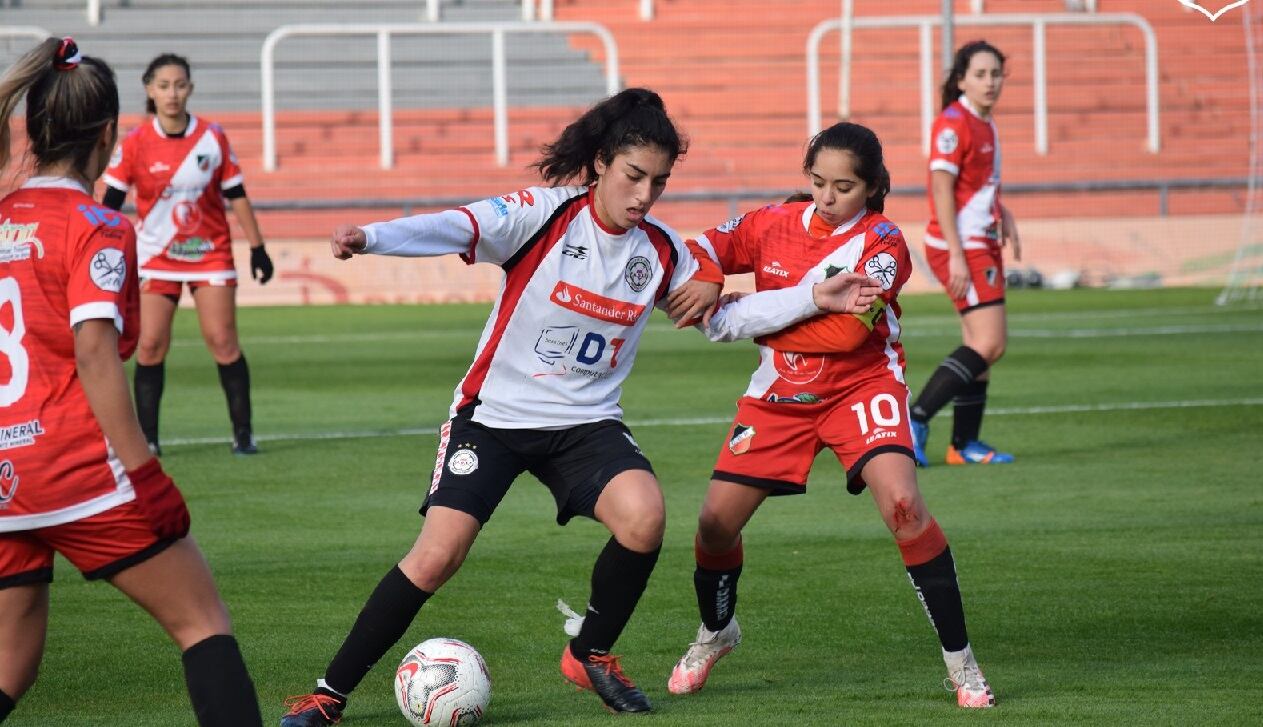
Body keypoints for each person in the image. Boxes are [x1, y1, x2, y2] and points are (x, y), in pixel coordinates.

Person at [277, 88, 881, 726]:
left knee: (644, 518)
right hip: (495, 420)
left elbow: (725, 319)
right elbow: (458, 224)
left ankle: (590, 653)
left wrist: (816, 295)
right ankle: (328, 694)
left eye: (659, 182)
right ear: (599, 163)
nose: (645, 196)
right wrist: (370, 237)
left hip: (585, 426)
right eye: (633, 176)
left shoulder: (662, 251)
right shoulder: (541, 214)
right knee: (438, 554)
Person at [664, 122, 996, 708]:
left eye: (843, 186)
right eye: (817, 182)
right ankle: (716, 633)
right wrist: (714, 279)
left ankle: (962, 662)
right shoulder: (770, 223)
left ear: (871, 187)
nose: (827, 197)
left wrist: (749, 315)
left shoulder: (885, 244)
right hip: (779, 395)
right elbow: (699, 251)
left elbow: (847, 334)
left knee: (904, 506)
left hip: (861, 387)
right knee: (715, 525)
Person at [0, 38, 262, 726]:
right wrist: (146, 474)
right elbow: (93, 352)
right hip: (75, 467)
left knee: (9, 667)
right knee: (202, 621)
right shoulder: (98, 225)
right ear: (111, 134)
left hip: (4, 476)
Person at [101, 53, 273, 456]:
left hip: (210, 254)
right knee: (150, 346)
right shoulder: (136, 142)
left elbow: (236, 194)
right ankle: (148, 441)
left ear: (190, 89)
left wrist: (259, 247)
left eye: (179, 85)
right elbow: (108, 202)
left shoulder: (212, 137)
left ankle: (243, 435)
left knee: (223, 341)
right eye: (163, 86)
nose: (172, 93)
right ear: (149, 90)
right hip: (155, 257)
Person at [909, 40, 1019, 467]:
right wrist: (955, 253)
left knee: (978, 344)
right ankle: (916, 419)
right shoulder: (953, 124)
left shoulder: (984, 122)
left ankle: (964, 444)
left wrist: (1003, 212)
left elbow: (974, 186)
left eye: (996, 74)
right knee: (991, 342)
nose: (990, 82)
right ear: (961, 80)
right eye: (980, 74)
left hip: (980, 241)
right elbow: (940, 188)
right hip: (964, 247)